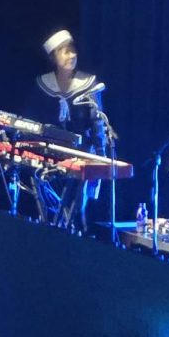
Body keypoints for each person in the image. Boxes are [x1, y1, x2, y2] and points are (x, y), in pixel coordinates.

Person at [29, 29, 109, 231]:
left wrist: (101, 158)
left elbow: (97, 125)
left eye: (72, 51)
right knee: (47, 208)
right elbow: (32, 124)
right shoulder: (42, 86)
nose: (71, 56)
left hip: (81, 157)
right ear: (53, 57)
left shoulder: (88, 85)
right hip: (50, 156)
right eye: (65, 52)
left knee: (77, 211)